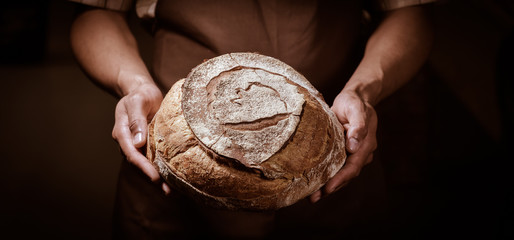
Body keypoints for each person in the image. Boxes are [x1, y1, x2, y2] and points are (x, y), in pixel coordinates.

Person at [70, 0, 435, 238]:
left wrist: (363, 91)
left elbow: (408, 12)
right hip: (175, 167)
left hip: (332, 160)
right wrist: (133, 85)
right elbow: (97, 10)